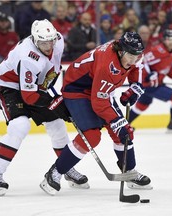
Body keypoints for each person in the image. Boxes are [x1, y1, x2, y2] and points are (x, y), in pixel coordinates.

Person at [0, 19, 89, 196]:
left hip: (34, 86)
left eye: (51, 41)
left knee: (57, 125)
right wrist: (57, 104)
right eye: (43, 43)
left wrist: (57, 102)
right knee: (20, 126)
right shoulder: (28, 57)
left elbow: (49, 72)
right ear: (34, 40)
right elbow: (29, 96)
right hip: (9, 87)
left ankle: (66, 167)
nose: (48, 46)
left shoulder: (59, 41)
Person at [40, 31, 152, 196]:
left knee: (123, 134)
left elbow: (137, 67)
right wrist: (117, 122)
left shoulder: (129, 52)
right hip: (77, 90)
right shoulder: (108, 64)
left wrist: (135, 86)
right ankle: (55, 171)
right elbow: (99, 102)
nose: (135, 59)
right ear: (121, 51)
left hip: (100, 88)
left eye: (138, 54)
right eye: (132, 55)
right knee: (92, 136)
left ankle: (129, 171)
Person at [128, 29, 172, 132]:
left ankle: (125, 125)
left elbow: (169, 68)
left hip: (152, 85)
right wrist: (148, 76)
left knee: (142, 105)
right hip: (150, 85)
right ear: (164, 40)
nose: (170, 42)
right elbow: (142, 62)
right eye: (168, 39)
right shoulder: (157, 51)